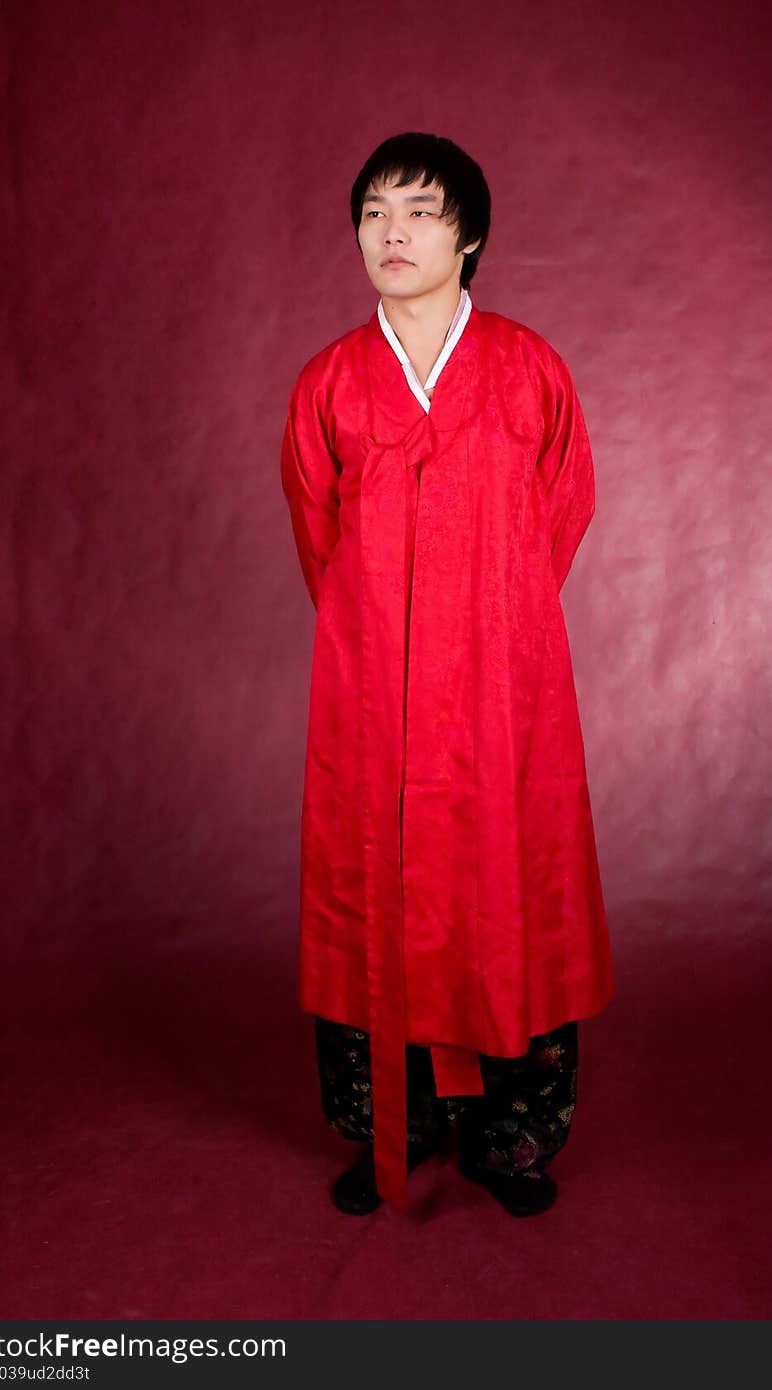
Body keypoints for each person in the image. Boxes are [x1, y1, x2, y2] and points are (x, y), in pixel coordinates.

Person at [280, 132, 614, 1218]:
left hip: (501, 689)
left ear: (467, 235)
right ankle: (398, 1122)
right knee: (371, 887)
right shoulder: (329, 384)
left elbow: (561, 511)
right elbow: (315, 538)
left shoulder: (528, 369)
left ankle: (513, 1135)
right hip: (370, 689)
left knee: (508, 890)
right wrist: (388, 631)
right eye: (374, 210)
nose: (392, 231)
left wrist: (489, 622)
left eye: (419, 211)